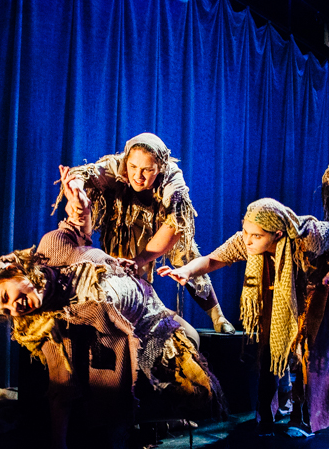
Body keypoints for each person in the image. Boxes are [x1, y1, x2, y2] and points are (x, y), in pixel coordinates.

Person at [0, 221, 223, 449]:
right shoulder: (50, 322)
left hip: (151, 306)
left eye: (6, 297)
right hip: (137, 340)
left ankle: (156, 422)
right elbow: (61, 385)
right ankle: (138, 425)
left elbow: (80, 228)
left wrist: (81, 206)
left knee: (194, 338)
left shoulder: (52, 247)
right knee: (189, 390)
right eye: (5, 311)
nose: (14, 309)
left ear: (13, 271)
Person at [158, 198, 329, 437]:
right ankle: (267, 413)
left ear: (278, 234)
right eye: (245, 231)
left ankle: (302, 416)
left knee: (310, 354)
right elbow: (212, 260)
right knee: (269, 348)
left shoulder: (308, 237)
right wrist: (185, 271)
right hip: (281, 293)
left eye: (256, 236)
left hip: (318, 288)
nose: (247, 240)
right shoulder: (245, 242)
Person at [57, 132, 235, 333]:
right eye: (133, 167)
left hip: (165, 223)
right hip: (126, 223)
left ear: (160, 168)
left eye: (147, 170)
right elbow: (83, 175)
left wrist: (142, 259)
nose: (138, 176)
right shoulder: (116, 166)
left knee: (186, 255)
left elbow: (175, 225)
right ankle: (124, 322)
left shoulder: (172, 179)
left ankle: (217, 316)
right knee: (121, 269)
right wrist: (77, 191)